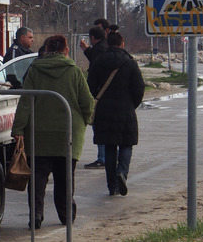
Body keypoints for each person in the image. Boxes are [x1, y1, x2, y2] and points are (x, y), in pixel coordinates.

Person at [11, 35, 95, 229]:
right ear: (66, 50)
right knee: (65, 178)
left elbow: (26, 102)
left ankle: (36, 215)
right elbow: (87, 101)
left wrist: (18, 129)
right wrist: (84, 120)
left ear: (47, 49)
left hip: (38, 133)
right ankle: (66, 215)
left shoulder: (35, 70)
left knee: (38, 180)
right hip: (68, 134)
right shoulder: (74, 71)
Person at [87, 31, 145, 196]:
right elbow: (139, 88)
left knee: (109, 146)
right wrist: (132, 104)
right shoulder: (130, 63)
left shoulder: (98, 61)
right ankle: (122, 172)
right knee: (127, 144)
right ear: (122, 43)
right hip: (126, 109)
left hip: (104, 110)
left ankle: (112, 186)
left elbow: (90, 86)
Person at [78, 24, 108, 170]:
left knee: (99, 126)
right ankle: (106, 156)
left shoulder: (98, 50)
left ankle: (102, 157)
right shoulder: (106, 48)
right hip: (107, 93)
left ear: (93, 38)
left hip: (98, 94)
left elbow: (95, 71)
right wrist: (87, 50)